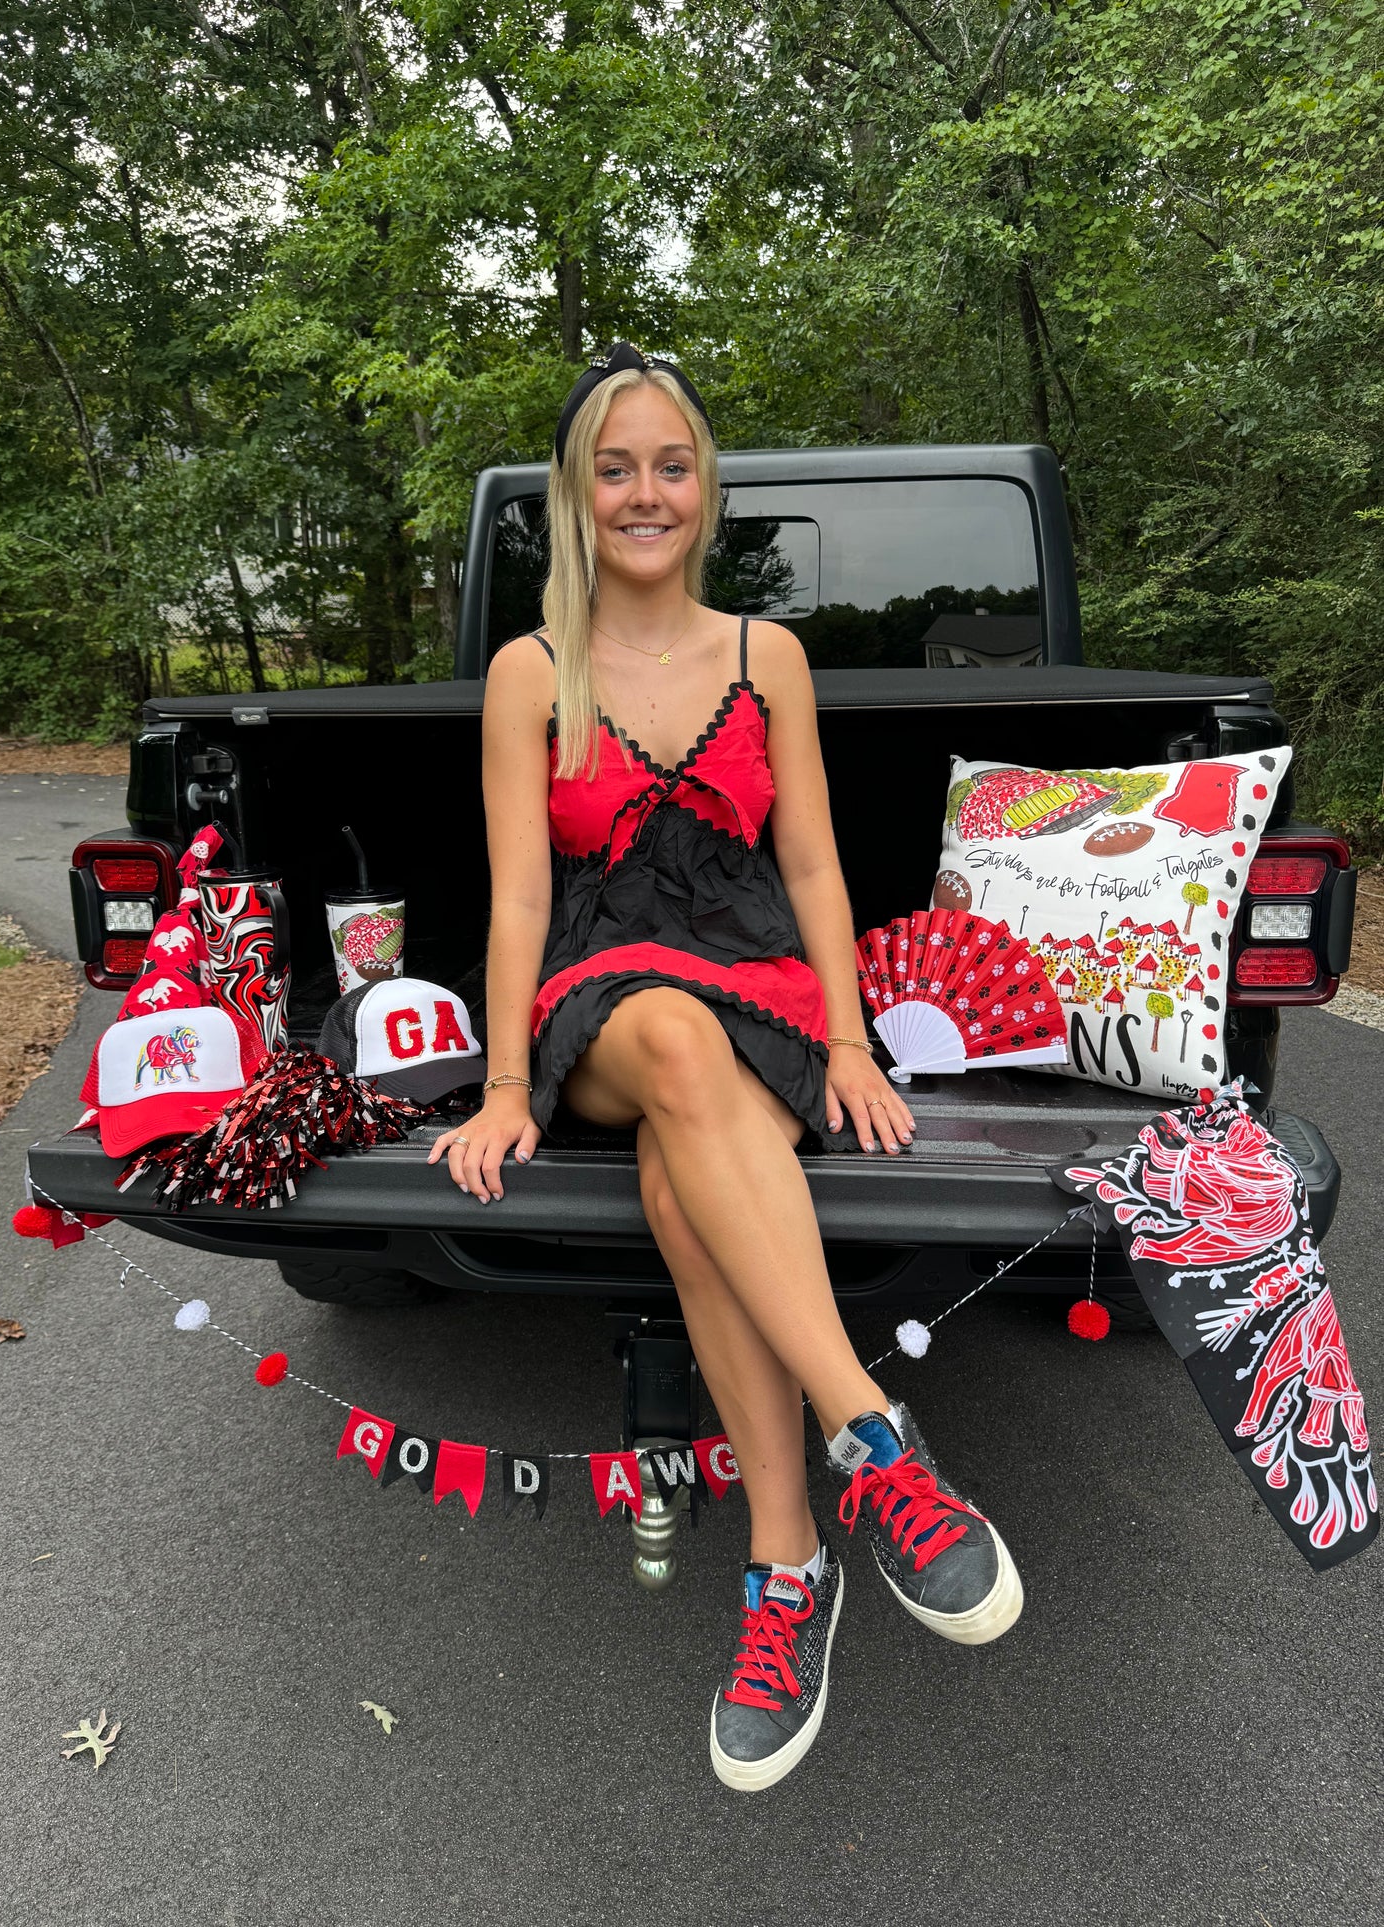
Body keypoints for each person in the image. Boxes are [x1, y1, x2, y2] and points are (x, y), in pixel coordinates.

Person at [429, 342, 1022, 1792]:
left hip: (754, 976)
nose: (646, 492)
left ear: (708, 487)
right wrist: (505, 1085)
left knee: (689, 1190)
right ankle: (873, 1439)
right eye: (615, 468)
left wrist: (846, 1038)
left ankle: (784, 1568)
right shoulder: (527, 671)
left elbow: (812, 865)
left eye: (671, 465)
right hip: (604, 991)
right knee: (674, 1048)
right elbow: (515, 895)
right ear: (576, 495)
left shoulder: (769, 658)